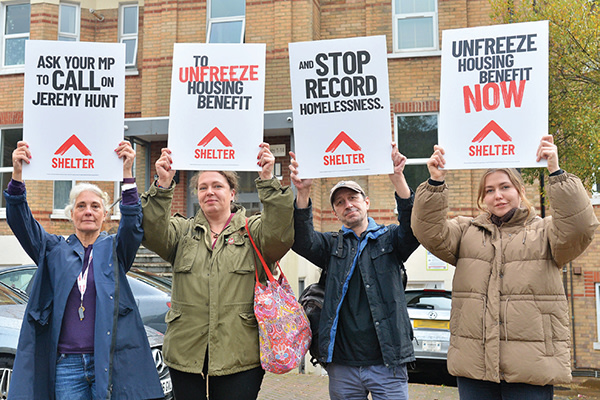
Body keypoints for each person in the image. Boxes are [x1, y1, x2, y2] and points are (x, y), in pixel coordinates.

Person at [411, 135, 599, 400]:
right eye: (489, 190)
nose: (497, 195)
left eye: (505, 187)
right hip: (475, 368)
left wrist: (556, 173)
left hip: (531, 368)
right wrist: (435, 182)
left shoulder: (546, 232)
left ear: (520, 191)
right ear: (483, 198)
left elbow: (580, 228)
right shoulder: (466, 232)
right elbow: (427, 230)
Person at [5, 140, 164, 400]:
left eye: (95, 206)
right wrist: (18, 175)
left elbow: (133, 225)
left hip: (107, 362)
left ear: (105, 215)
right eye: (81, 206)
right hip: (66, 366)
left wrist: (127, 173)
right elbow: (21, 223)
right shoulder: (53, 249)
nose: (88, 211)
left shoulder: (115, 249)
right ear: (71, 214)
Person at [140, 142, 294, 400]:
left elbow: (280, 234)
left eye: (217, 186)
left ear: (232, 193)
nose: (209, 192)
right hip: (185, 352)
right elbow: (152, 231)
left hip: (239, 354)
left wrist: (268, 181)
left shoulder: (253, 231)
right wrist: (163, 185)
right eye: (203, 187)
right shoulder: (181, 232)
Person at [289, 143, 420, 400]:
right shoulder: (331, 245)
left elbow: (414, 228)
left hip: (388, 363)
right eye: (340, 202)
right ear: (335, 212)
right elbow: (302, 241)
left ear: (366, 202)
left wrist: (398, 180)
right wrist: (303, 192)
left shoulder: (390, 239)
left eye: (353, 198)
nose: (347, 205)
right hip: (343, 366)